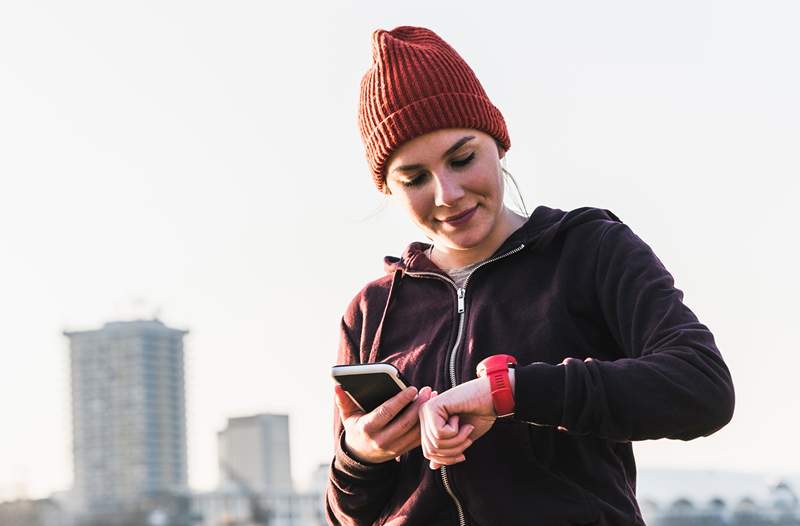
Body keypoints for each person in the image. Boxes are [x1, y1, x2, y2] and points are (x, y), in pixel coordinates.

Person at [326, 26, 735, 526]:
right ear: (388, 188)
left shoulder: (589, 249)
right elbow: (348, 516)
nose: (447, 193)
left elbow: (702, 388)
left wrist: (510, 393)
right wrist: (360, 454)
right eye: (414, 178)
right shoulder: (371, 311)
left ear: (498, 145)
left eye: (462, 158)